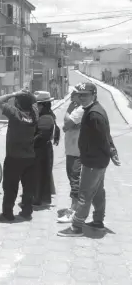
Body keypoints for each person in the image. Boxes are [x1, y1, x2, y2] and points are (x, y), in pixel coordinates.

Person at [58, 82, 121, 237]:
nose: (82, 98)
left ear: (94, 95)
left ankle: (76, 227)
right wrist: (111, 152)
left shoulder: (94, 114)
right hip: (97, 160)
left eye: (85, 95)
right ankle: (98, 222)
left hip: (93, 161)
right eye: (80, 95)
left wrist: (111, 152)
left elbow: (103, 138)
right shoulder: (92, 110)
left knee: (84, 194)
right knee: (98, 192)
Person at [0, 89, 38, 222]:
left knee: (10, 187)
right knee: (28, 186)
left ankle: (8, 213)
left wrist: (14, 93)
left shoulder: (15, 114)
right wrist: (27, 95)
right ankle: (27, 211)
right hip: (30, 156)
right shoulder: (35, 114)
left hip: (14, 157)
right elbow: (34, 101)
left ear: (17, 102)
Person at [57, 89, 84, 223]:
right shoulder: (76, 108)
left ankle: (74, 211)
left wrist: (68, 110)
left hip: (77, 151)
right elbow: (66, 126)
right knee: (72, 178)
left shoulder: (81, 110)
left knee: (75, 180)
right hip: (72, 150)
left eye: (75, 95)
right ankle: (76, 208)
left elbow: (67, 123)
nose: (72, 97)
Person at [32, 91, 60, 206]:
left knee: (39, 174)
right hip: (44, 149)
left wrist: (29, 142)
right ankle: (41, 197)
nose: (35, 107)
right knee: (43, 173)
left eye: (37, 105)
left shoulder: (45, 118)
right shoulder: (48, 115)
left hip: (41, 150)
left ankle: (38, 199)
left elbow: (41, 136)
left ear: (42, 105)